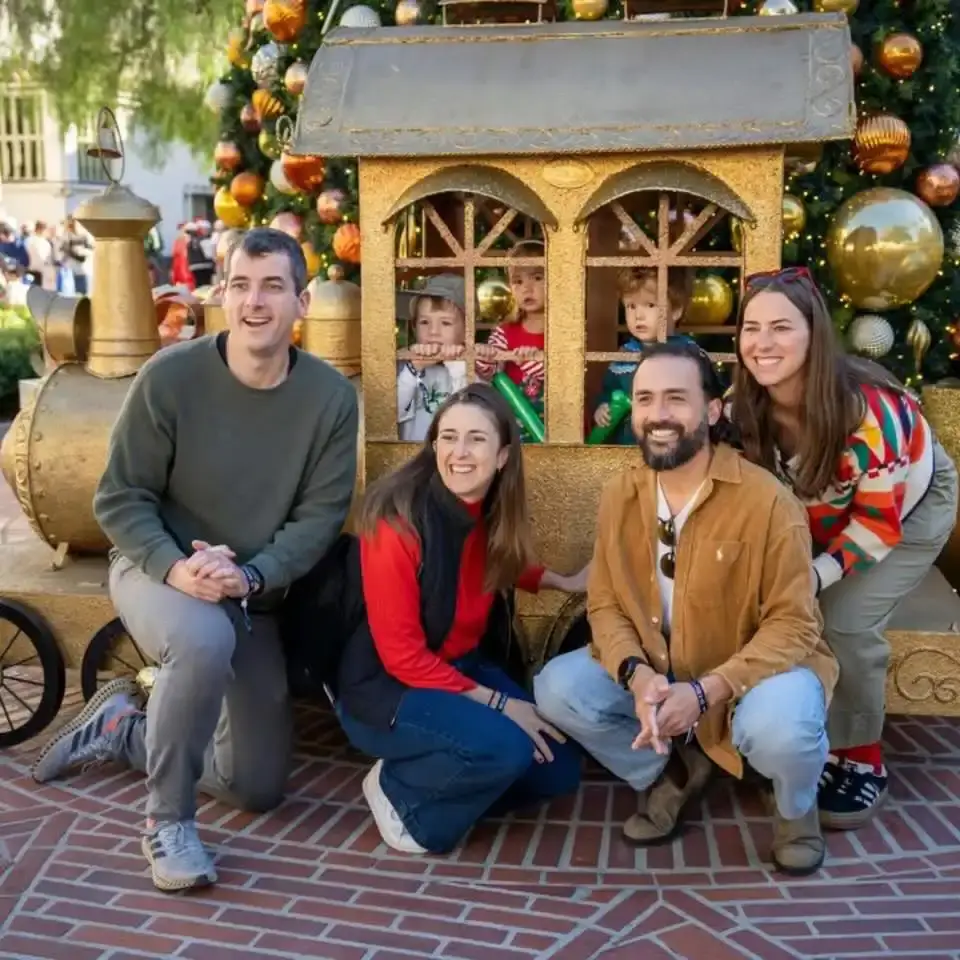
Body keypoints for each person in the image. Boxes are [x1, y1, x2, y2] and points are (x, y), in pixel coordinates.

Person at [31, 228, 360, 893]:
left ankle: (128, 728)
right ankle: (167, 824)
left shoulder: (330, 399)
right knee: (204, 638)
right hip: (155, 569)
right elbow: (120, 499)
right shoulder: (170, 377)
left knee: (258, 784)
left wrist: (252, 574)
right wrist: (178, 568)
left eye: (273, 287)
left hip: (251, 592)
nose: (255, 303)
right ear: (221, 296)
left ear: (301, 303)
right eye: (241, 285)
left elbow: (318, 520)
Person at [534, 340, 838, 876]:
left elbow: (794, 624)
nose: (657, 414)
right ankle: (672, 774)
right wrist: (637, 675)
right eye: (645, 398)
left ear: (713, 411)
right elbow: (604, 604)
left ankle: (794, 808)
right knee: (557, 690)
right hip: (662, 662)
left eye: (676, 398)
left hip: (756, 673)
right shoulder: (620, 496)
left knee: (782, 727)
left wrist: (706, 692)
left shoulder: (767, 501)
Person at [731, 266, 959, 830]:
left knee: (845, 618)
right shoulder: (747, 405)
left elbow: (877, 527)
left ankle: (861, 757)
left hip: (910, 505)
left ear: (815, 333)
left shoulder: (864, 412)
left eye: (781, 327)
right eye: (751, 328)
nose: (763, 344)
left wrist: (814, 575)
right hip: (822, 507)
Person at [333, 384, 585, 855]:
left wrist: (566, 582)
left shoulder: (484, 506)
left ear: (504, 455)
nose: (459, 453)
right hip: (388, 689)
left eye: (476, 439)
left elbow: (501, 561)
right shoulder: (397, 519)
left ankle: (447, 766)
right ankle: (400, 791)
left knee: (557, 769)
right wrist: (499, 705)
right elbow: (403, 657)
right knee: (504, 749)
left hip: (458, 669)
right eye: (447, 437)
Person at [592, 265, 696, 444]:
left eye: (650, 305)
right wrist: (602, 407)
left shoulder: (688, 353)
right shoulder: (625, 354)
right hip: (626, 445)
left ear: (676, 310)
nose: (638, 315)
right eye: (631, 306)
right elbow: (608, 389)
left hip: (670, 442)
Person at [475, 240, 546, 436]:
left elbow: (564, 373)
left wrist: (531, 360)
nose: (527, 289)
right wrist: (484, 355)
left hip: (556, 423)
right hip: (516, 425)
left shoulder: (565, 331)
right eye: (518, 281)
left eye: (537, 278)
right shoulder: (504, 332)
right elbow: (487, 373)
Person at [398, 274, 468, 442]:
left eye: (445, 323)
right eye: (424, 322)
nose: (433, 331)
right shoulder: (405, 364)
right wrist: (413, 368)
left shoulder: (470, 366)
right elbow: (392, 412)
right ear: (414, 327)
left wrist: (455, 364)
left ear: (467, 329)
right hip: (413, 456)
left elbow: (471, 410)